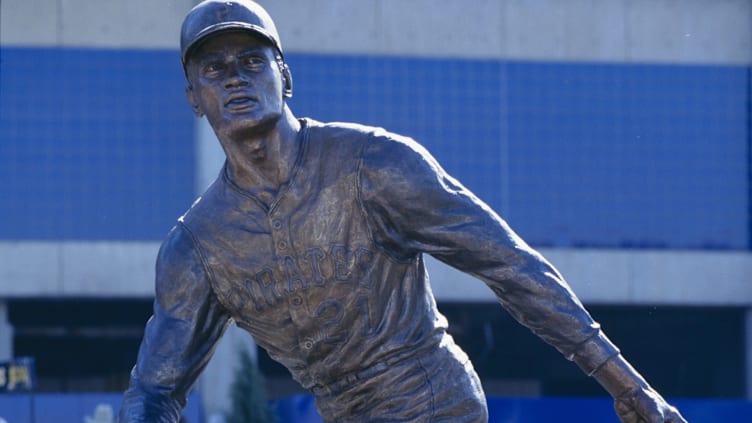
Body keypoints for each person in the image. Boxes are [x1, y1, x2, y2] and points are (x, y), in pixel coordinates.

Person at [119, 1, 687, 422]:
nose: (236, 77)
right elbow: (155, 388)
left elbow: (510, 266)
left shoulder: (373, 164)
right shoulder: (197, 246)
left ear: (284, 76)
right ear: (194, 95)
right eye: (214, 69)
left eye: (251, 60)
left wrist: (629, 387)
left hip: (434, 403)